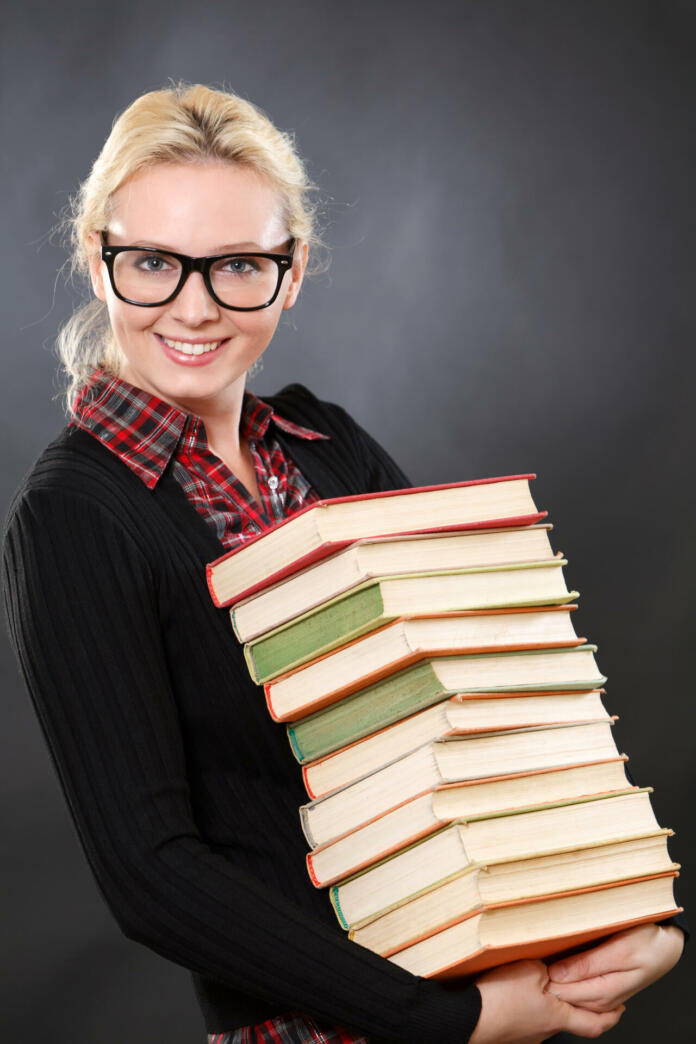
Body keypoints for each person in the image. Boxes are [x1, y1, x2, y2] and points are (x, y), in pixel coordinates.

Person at [2, 82, 684, 1044]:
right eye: (152, 262)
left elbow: (484, 703)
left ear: (292, 269)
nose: (193, 308)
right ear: (98, 260)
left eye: (238, 265)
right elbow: (152, 875)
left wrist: (629, 915)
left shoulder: (331, 446)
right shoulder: (73, 516)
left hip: (499, 965)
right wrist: (453, 1021)